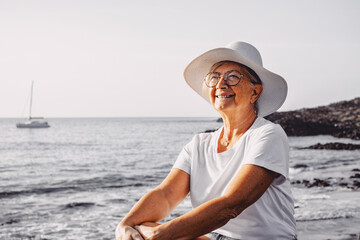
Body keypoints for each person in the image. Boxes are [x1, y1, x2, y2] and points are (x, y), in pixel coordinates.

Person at [115, 41, 297, 240]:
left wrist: (158, 234)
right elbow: (165, 195)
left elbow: (231, 205)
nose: (221, 84)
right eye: (215, 77)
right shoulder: (199, 144)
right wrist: (126, 224)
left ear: (255, 92)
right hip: (214, 237)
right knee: (140, 227)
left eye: (233, 77)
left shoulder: (268, 135)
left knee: (150, 232)